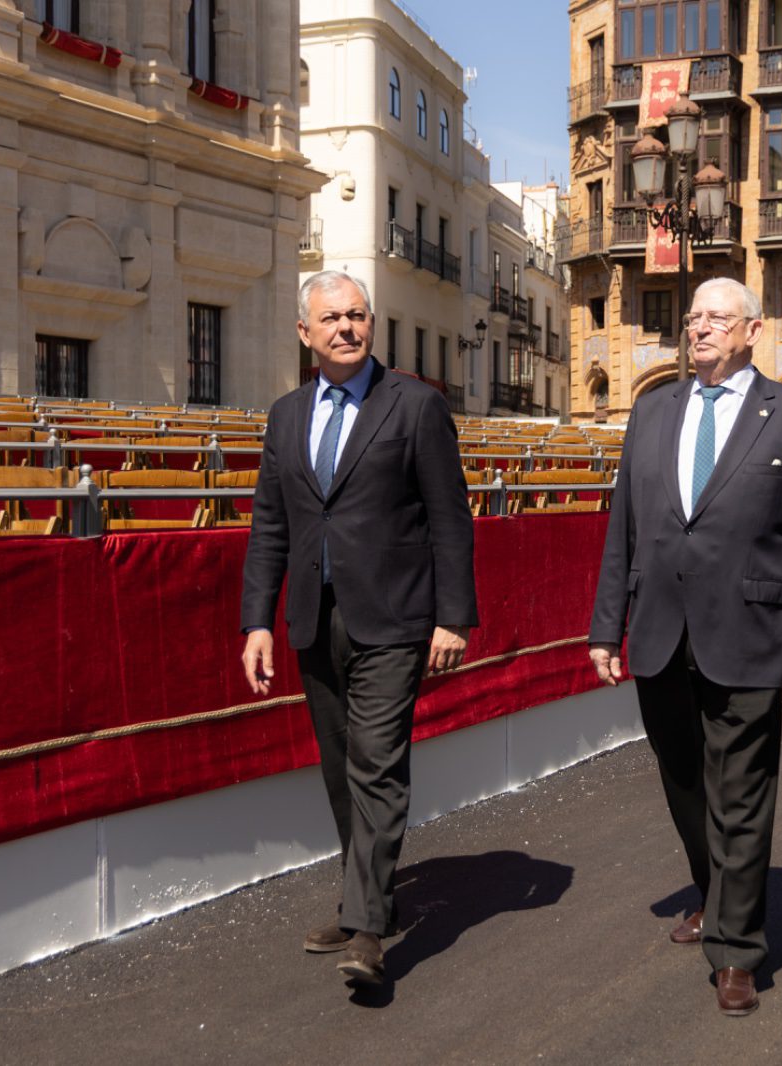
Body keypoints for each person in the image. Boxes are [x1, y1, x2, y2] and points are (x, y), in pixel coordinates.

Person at [588, 276, 782, 1017]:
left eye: (716, 318)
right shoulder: (651, 410)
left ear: (752, 330)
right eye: (693, 318)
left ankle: (736, 947)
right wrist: (607, 626)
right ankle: (715, 890)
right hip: (662, 633)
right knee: (684, 783)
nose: (698, 329)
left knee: (742, 794)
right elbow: (623, 530)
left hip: (753, 633)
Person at [239, 270, 478, 989]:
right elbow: (270, 526)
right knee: (343, 771)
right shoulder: (285, 416)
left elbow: (449, 516)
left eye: (357, 316)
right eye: (331, 319)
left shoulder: (414, 405)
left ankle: (368, 931)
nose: (346, 328)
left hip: (395, 617)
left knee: (376, 765)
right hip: (315, 619)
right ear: (304, 333)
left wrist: (453, 615)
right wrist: (257, 621)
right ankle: (365, 895)